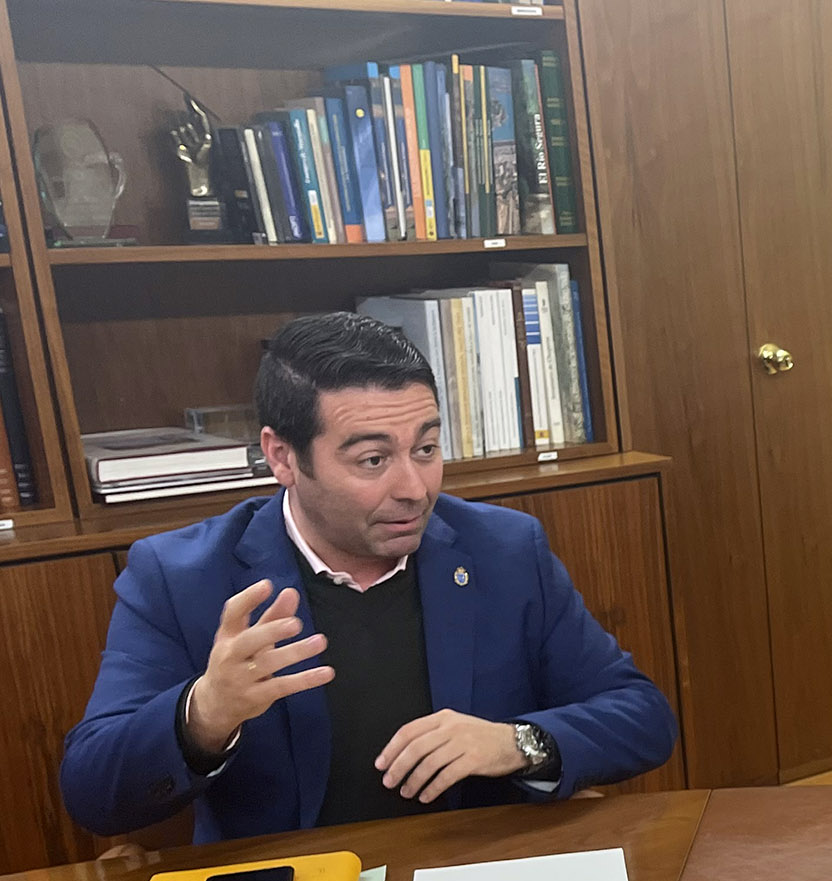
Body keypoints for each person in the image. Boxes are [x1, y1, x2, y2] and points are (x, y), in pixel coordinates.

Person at [62, 313, 676, 843]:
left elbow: (641, 716)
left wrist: (518, 742)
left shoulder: (504, 550)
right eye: (372, 460)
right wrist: (202, 715)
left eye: (427, 449)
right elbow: (92, 792)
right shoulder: (181, 576)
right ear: (282, 457)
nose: (413, 489)